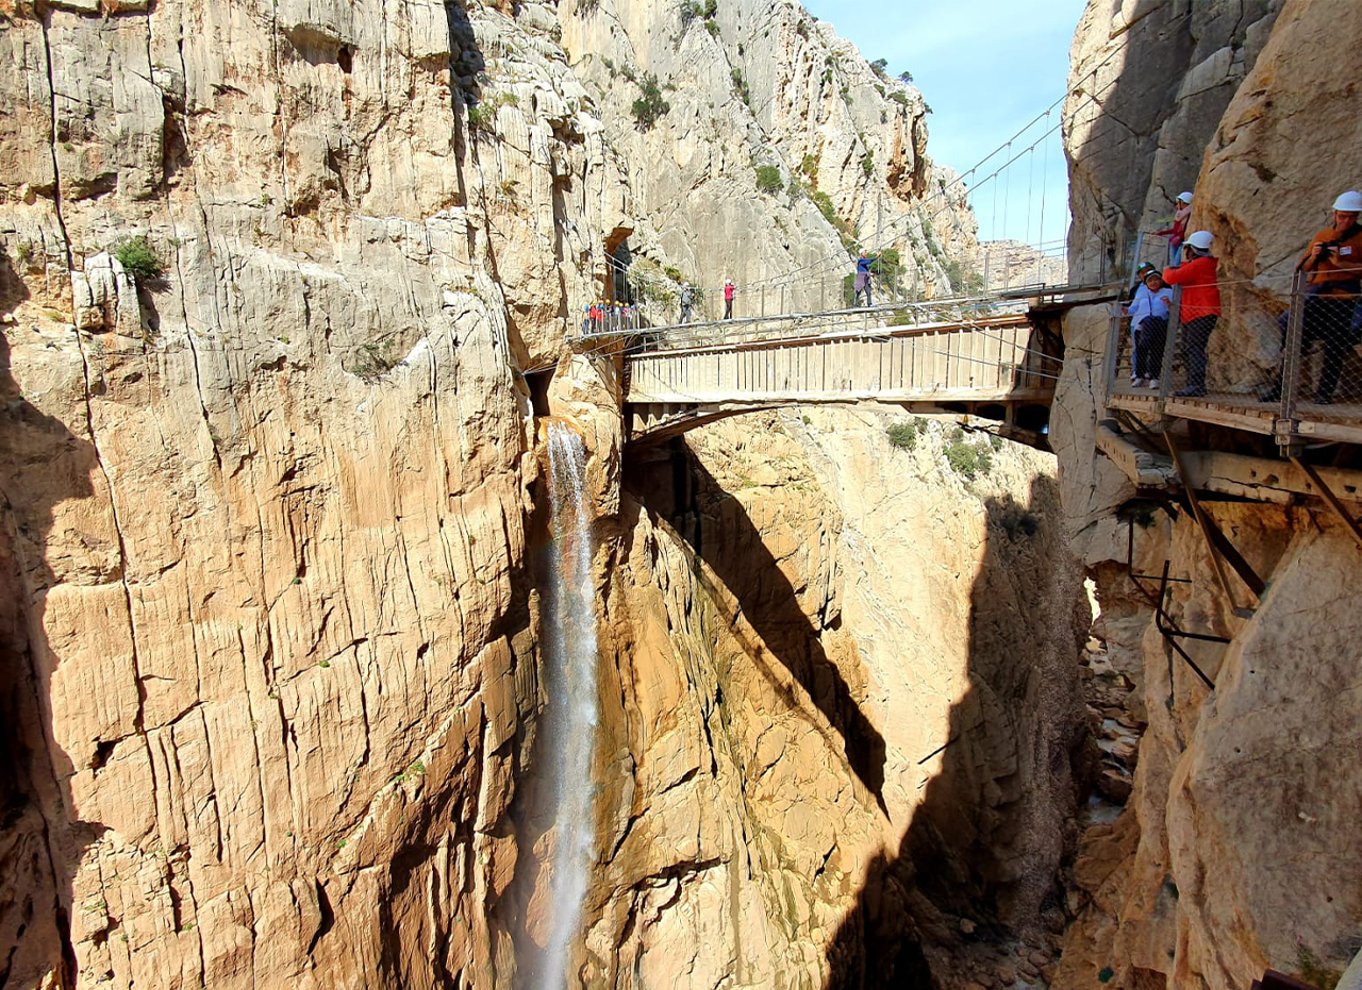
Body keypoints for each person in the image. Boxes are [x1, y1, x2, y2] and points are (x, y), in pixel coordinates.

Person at [1260, 190, 1362, 405]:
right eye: (1342, 216)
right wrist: (1316, 255)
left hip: (1344, 299)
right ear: (1334, 214)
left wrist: (1342, 265)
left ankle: (1324, 394)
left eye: (1351, 217)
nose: (1346, 221)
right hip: (1317, 297)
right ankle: (1279, 389)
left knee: (1335, 347)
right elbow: (1304, 268)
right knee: (1294, 339)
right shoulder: (1323, 236)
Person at [1161, 229, 1220, 396]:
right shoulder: (1203, 264)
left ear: (1192, 249)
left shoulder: (1201, 264)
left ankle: (1196, 385)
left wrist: (1167, 269)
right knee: (1190, 348)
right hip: (1195, 312)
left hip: (1200, 312)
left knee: (1194, 348)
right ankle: (1192, 384)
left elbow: (1170, 278)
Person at [1127, 267, 1173, 388]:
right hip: (1141, 325)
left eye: (1156, 280)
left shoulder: (1168, 292)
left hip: (1159, 325)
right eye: (1150, 281)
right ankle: (1139, 375)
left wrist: (1169, 304)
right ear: (1146, 283)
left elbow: (1174, 310)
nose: (1153, 283)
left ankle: (1154, 377)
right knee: (1141, 350)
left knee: (1156, 351)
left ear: (1161, 281)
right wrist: (1125, 310)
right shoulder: (1141, 292)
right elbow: (1133, 308)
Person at [1156, 191, 1193, 267]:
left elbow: (1187, 230)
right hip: (1175, 241)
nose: (1176, 205)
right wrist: (1161, 233)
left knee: (1177, 264)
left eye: (1178, 202)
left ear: (1183, 202)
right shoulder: (1180, 215)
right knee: (1173, 264)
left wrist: (1179, 237)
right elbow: (1175, 230)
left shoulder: (1190, 215)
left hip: (1183, 242)